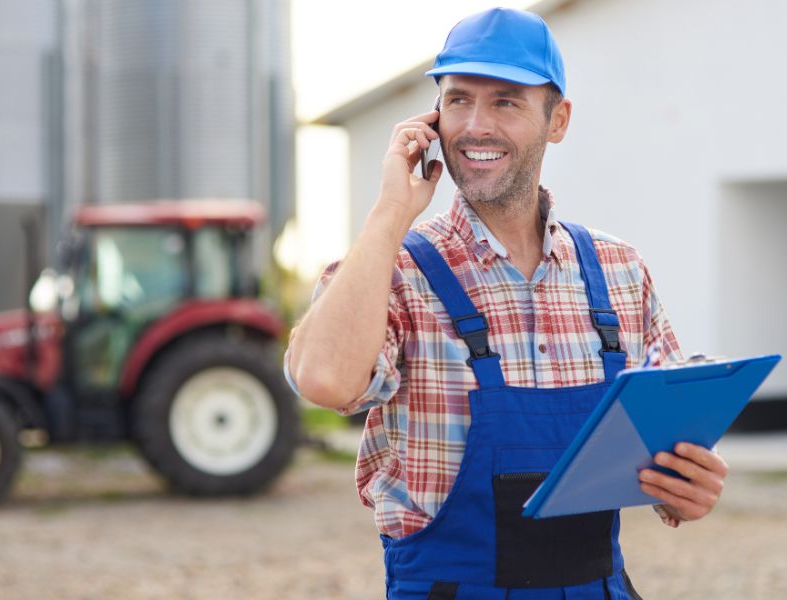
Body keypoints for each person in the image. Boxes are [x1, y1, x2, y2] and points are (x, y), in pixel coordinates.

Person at [286, 7, 728, 599]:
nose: (475, 126)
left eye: (506, 102)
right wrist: (390, 211)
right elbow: (323, 381)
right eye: (458, 100)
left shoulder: (619, 271)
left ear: (558, 119)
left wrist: (689, 489)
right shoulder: (394, 270)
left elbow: (671, 448)